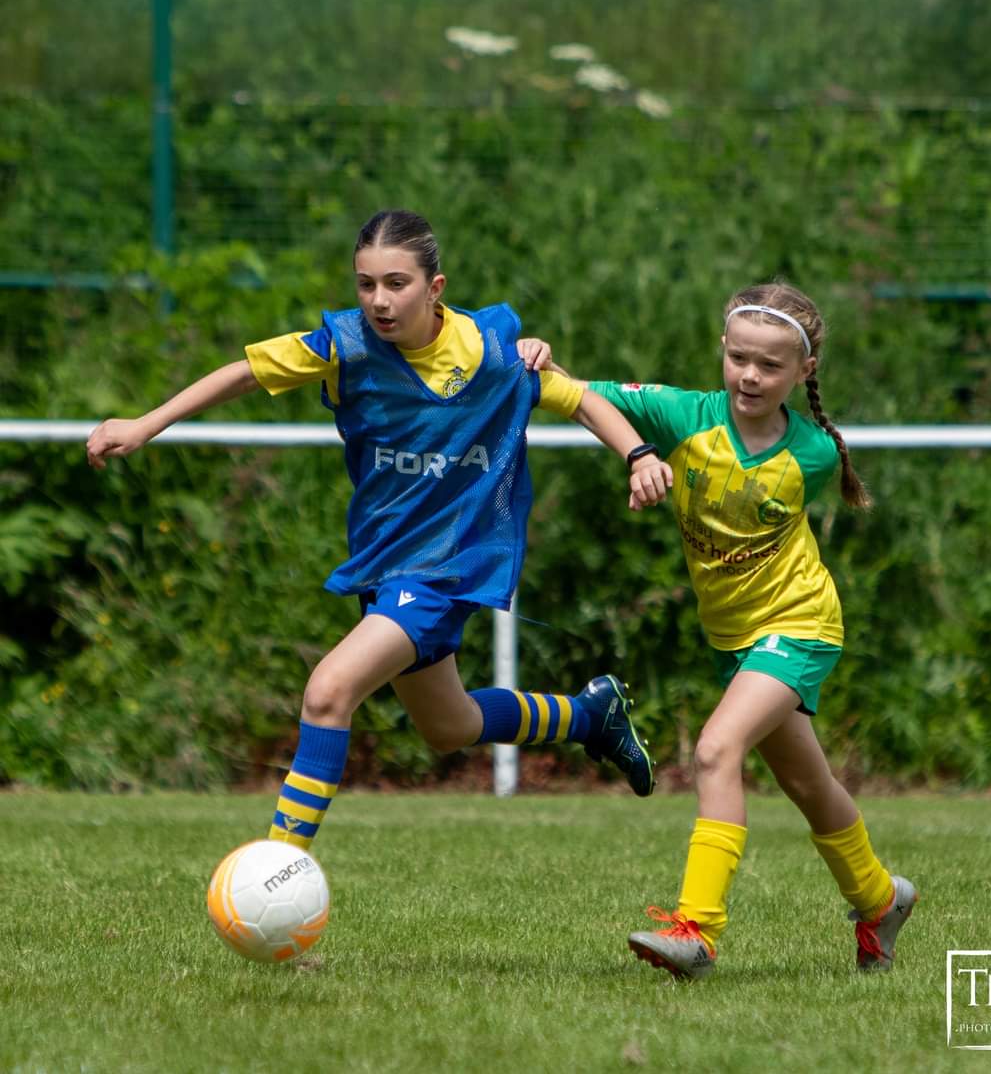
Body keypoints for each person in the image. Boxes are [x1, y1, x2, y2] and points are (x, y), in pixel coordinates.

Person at [86, 209, 674, 846]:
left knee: (328, 691)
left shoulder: (497, 356)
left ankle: (279, 870)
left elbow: (579, 397)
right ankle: (590, 715)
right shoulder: (346, 347)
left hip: (449, 566)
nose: (379, 300)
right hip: (387, 560)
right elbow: (245, 372)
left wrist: (638, 455)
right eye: (366, 284)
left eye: (397, 283)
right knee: (449, 726)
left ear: (435, 287)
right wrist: (146, 423)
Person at [550, 281, 916, 977]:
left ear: (804, 371)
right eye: (739, 357)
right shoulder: (682, 414)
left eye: (770, 365)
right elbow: (573, 394)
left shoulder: (811, 454)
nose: (750, 375)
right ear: (722, 349)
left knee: (717, 749)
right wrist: (544, 363)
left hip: (801, 625)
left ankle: (697, 931)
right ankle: (878, 899)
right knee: (809, 786)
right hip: (734, 641)